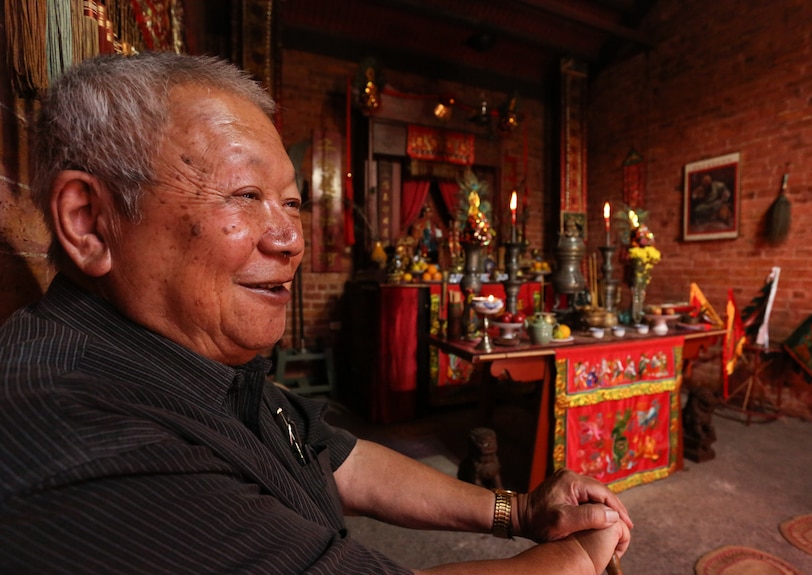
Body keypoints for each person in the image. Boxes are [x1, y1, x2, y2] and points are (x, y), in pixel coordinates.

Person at [0, 52, 631, 574]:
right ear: (89, 222)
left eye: (293, 202)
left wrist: (517, 511)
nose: (291, 240)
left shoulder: (182, 353)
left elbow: (332, 455)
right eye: (246, 196)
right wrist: (576, 556)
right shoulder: (79, 437)